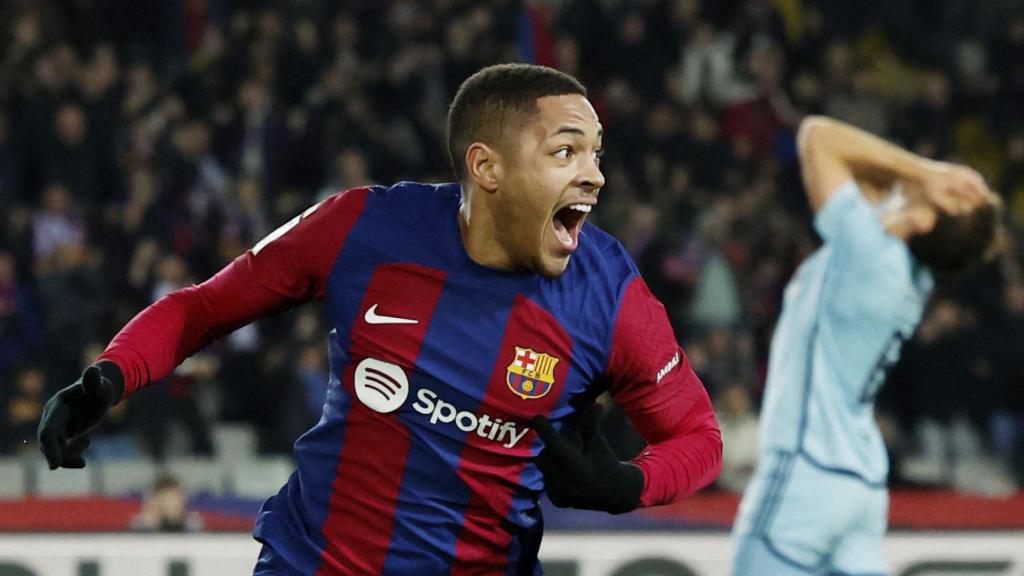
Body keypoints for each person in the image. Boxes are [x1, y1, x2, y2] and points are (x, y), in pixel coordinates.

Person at [37, 64, 722, 575]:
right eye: (566, 152)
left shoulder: (609, 293)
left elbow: (698, 436)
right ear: (487, 167)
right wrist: (110, 377)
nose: (595, 175)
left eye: (597, 153)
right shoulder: (363, 226)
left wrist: (629, 483)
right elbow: (206, 306)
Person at [731, 115, 1003, 575]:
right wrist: (924, 180)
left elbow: (818, 136)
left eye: (949, 196)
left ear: (924, 220)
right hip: (858, 483)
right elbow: (868, 173)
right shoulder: (903, 269)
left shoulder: (872, 257)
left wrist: (926, 171)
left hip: (806, 473)